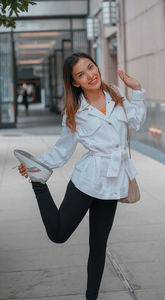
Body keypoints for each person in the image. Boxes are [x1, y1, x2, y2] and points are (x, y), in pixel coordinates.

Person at [14, 52, 147, 300]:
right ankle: (37, 182)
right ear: (75, 82)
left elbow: (135, 123)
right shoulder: (75, 111)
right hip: (86, 181)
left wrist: (137, 90)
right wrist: (39, 165)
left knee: (98, 247)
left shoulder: (116, 95)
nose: (90, 75)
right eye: (81, 74)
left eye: (90, 67)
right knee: (58, 234)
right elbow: (63, 150)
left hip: (112, 182)